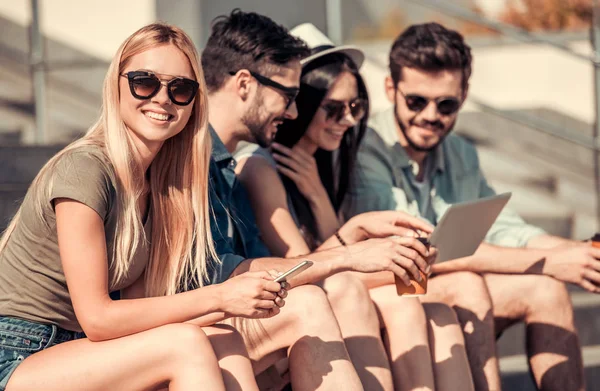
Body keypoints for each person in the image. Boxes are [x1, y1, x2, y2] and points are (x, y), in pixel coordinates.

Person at [0, 22, 285, 391]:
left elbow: (145, 307)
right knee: (184, 345)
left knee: (224, 340)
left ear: (194, 102)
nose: (163, 99)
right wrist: (220, 296)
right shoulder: (85, 169)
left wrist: (235, 302)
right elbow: (99, 319)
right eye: (144, 81)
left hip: (78, 349)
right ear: (116, 84)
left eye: (180, 88)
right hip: (18, 350)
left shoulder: (163, 188)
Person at [343, 22, 588, 391]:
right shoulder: (367, 149)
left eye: (446, 104)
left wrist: (578, 253)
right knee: (466, 284)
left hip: (433, 284)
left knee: (547, 290)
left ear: (464, 95)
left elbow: (508, 229)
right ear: (390, 88)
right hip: (382, 290)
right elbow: (421, 251)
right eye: (416, 101)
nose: (430, 115)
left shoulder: (460, 152)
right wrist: (553, 261)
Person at [201, 10, 438, 391]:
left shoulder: (231, 163)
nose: (293, 111)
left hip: (239, 307)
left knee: (411, 301)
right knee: (331, 294)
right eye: (290, 96)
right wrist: (352, 242)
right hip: (210, 320)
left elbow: (239, 269)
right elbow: (231, 275)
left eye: (355, 107)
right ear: (244, 84)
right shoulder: (224, 164)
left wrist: (353, 230)